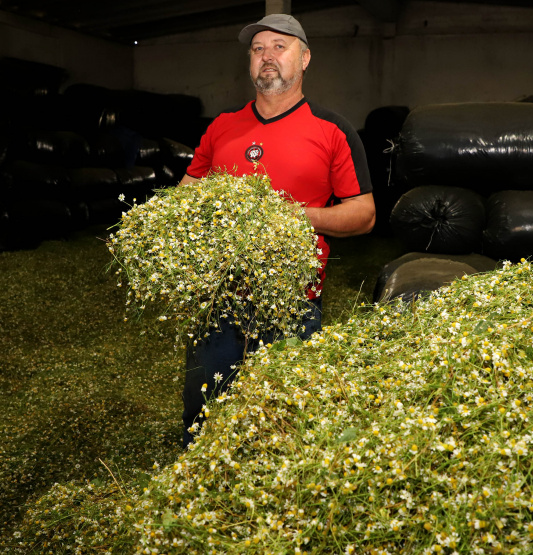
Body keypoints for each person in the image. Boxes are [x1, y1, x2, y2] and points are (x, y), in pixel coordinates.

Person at [178, 13, 375, 447]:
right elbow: (185, 195)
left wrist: (299, 216)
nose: (267, 56)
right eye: (258, 49)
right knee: (204, 410)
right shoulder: (221, 127)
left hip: (293, 300)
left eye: (279, 47)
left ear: (304, 59)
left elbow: (364, 214)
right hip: (219, 297)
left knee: (285, 420)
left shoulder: (333, 130)